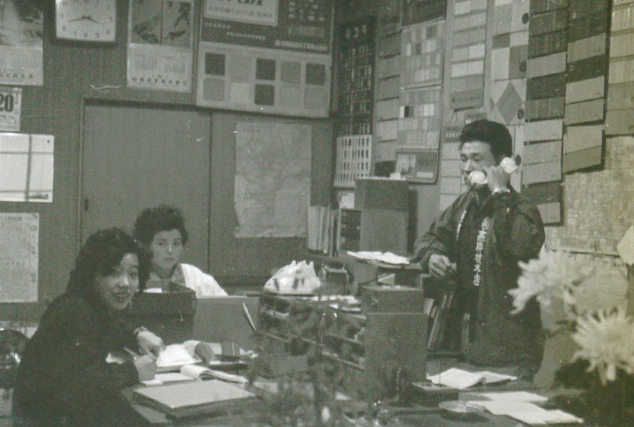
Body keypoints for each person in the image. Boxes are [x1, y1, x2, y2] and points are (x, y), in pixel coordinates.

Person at [411, 119, 545, 379]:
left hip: (509, 354)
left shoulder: (522, 209)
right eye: (463, 159)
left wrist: (500, 193)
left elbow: (517, 248)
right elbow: (428, 238)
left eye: (476, 159)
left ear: (502, 163)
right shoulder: (464, 205)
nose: (466, 168)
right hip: (466, 348)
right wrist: (432, 257)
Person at [13, 228, 164, 427]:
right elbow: (80, 384)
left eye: (133, 274)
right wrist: (134, 371)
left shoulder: (94, 304)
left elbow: (116, 325)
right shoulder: (74, 311)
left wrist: (138, 333)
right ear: (93, 275)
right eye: (114, 273)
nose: (126, 283)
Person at [133, 204, 227, 298]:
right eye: (162, 244)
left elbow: (224, 303)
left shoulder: (196, 277)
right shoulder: (134, 277)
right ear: (147, 245)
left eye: (176, 243)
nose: (170, 251)